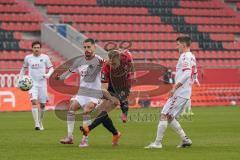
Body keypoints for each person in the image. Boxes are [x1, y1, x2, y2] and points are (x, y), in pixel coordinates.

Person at [145, 36, 197, 149]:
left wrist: (175, 87)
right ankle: (185, 140)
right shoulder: (192, 57)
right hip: (185, 92)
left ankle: (157, 143)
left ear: (183, 45)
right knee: (170, 117)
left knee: (164, 114)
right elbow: (193, 74)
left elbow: (187, 73)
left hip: (180, 92)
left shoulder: (184, 56)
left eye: (178, 44)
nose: (176, 46)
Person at [79, 49, 133, 146]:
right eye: (111, 62)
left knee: (105, 110)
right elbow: (104, 88)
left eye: (114, 63)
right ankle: (116, 133)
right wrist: (111, 99)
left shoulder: (125, 61)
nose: (112, 65)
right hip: (111, 88)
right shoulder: (106, 68)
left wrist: (124, 110)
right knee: (100, 112)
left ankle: (88, 128)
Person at [18, 41, 54, 130]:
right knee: (34, 102)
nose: (36, 49)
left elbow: (51, 68)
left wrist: (48, 75)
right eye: (35, 47)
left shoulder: (45, 58)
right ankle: (37, 124)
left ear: (40, 48)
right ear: (32, 48)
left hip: (42, 84)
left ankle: (40, 121)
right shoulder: (28, 58)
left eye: (38, 47)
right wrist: (19, 80)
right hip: (32, 84)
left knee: (42, 105)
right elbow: (23, 69)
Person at [101, 48, 134, 122]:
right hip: (111, 81)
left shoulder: (126, 57)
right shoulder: (106, 66)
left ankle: (124, 114)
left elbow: (131, 67)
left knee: (123, 96)